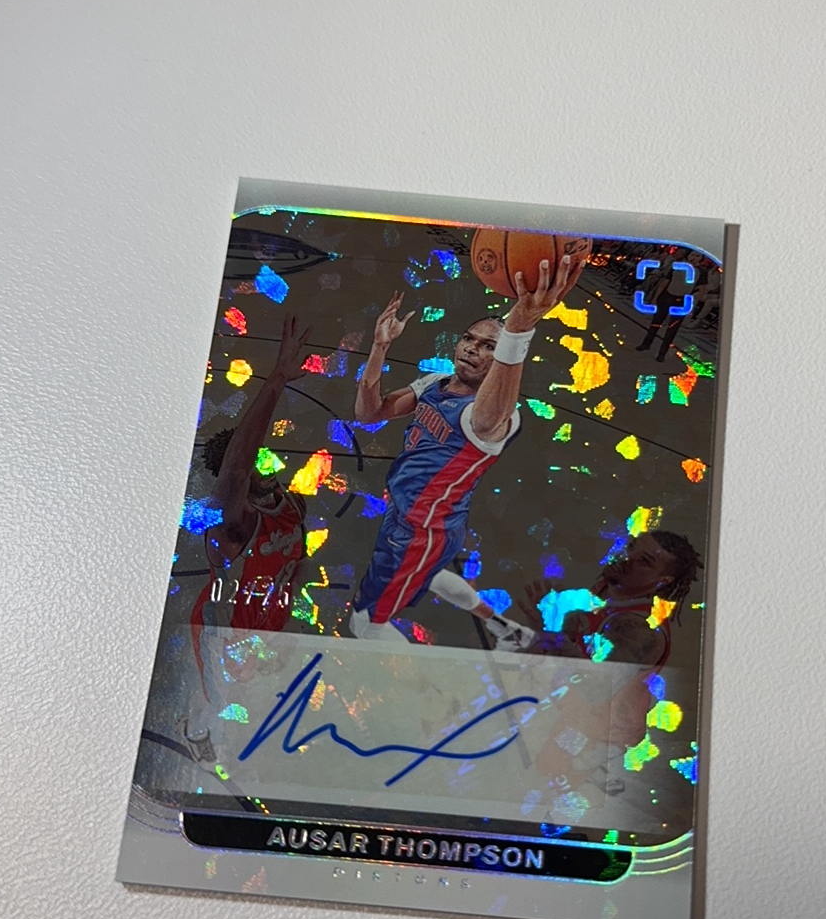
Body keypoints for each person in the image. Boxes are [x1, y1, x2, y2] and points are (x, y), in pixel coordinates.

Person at [348, 254, 586, 644]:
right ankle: (505, 628)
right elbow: (368, 413)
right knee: (431, 575)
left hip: (421, 531)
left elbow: (491, 413)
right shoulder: (434, 384)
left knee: (365, 621)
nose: (472, 349)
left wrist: (519, 330)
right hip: (421, 517)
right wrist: (379, 347)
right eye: (469, 339)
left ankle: (424, 680)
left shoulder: (488, 415)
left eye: (489, 346)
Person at [182, 314, 312, 758]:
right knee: (220, 709)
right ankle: (195, 734)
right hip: (225, 632)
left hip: (266, 622)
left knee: (255, 706)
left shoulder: (293, 505)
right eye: (253, 458)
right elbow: (237, 467)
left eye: (263, 455)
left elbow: (297, 561)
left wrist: (289, 602)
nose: (261, 463)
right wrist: (277, 378)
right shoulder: (232, 525)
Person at [515, 530, 703, 792]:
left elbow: (595, 689)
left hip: (599, 734)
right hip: (577, 717)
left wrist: (551, 637)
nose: (626, 558)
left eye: (644, 560)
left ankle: (579, 780)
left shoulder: (638, 628)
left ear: (662, 581)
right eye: (630, 547)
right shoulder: (605, 599)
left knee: (546, 777)